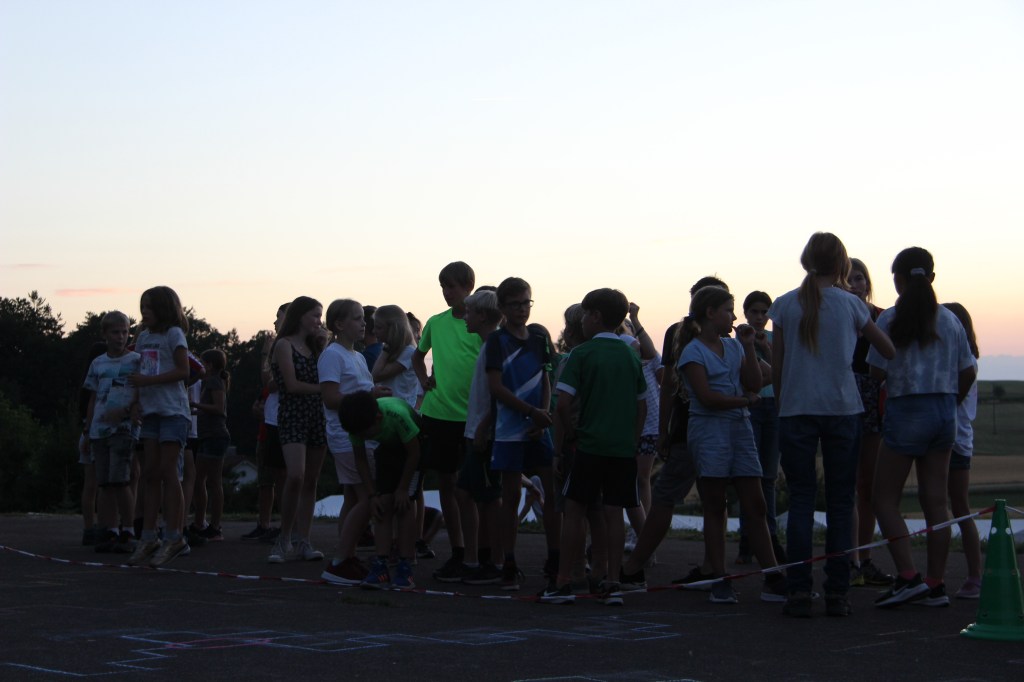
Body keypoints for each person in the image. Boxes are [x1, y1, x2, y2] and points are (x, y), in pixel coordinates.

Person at [769, 233, 894, 617]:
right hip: (842, 408)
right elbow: (887, 349)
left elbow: (778, 366)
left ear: (806, 261)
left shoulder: (785, 304)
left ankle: (798, 591)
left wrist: (783, 403)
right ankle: (837, 593)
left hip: (796, 410)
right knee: (841, 502)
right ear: (842, 264)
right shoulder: (852, 304)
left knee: (801, 500)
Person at [869, 248, 976, 608]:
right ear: (931, 278)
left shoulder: (890, 319)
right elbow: (968, 371)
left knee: (884, 499)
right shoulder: (950, 320)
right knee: (936, 503)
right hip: (944, 413)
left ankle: (907, 576)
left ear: (897, 280)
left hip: (906, 411)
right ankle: (935, 583)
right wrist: (951, 401)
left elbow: (876, 370)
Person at [678, 286, 785, 604]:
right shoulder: (693, 352)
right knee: (715, 506)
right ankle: (719, 578)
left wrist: (749, 347)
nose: (734, 317)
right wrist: (744, 401)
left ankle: (773, 576)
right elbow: (707, 398)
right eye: (728, 310)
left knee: (756, 503)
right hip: (710, 432)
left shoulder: (735, 346)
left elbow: (755, 381)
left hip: (739, 429)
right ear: (710, 313)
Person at [619, 276, 728, 590]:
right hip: (715, 427)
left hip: (689, 427)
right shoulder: (725, 341)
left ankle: (636, 565)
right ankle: (714, 569)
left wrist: (665, 429)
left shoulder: (683, 333)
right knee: (713, 500)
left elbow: (668, 383)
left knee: (666, 496)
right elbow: (666, 380)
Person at [543, 288, 646, 606]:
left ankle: (563, 582)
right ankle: (612, 582)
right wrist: (632, 439)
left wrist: (569, 438)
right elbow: (641, 404)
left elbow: (563, 404)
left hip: (588, 445)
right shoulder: (630, 355)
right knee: (614, 512)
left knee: (574, 511)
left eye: (586, 315)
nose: (582, 321)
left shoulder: (581, 354)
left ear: (596, 316)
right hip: (622, 448)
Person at [486, 278, 558, 591]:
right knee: (511, 495)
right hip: (509, 429)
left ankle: (555, 558)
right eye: (514, 304)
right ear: (502, 307)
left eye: (526, 303)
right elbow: (496, 387)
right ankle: (508, 561)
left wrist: (543, 416)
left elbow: (545, 379)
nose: (521, 309)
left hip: (538, 427)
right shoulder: (497, 341)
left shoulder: (539, 338)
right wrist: (531, 412)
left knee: (551, 493)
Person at [412, 262, 481, 581]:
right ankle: (458, 550)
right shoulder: (436, 322)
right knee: (447, 483)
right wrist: (423, 379)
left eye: (451, 286)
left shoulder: (479, 323)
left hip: (473, 416)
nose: (446, 292)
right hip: (439, 414)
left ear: (469, 286)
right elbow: (417, 355)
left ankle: (479, 552)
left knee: (475, 488)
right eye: (442, 286)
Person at [318, 299, 391, 584]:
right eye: (358, 318)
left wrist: (374, 391)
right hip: (346, 435)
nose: (364, 323)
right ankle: (339, 562)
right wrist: (368, 397)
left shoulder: (357, 356)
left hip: (361, 435)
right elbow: (330, 398)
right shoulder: (332, 355)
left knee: (352, 497)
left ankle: (347, 556)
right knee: (366, 497)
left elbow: (358, 389)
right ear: (339, 324)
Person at [127, 286, 194, 567]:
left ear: (163, 309)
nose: (144, 312)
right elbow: (141, 372)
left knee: (169, 472)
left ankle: (174, 536)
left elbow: (183, 371)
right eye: (142, 306)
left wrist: (148, 382)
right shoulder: (143, 337)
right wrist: (135, 402)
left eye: (150, 307)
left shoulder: (174, 334)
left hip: (173, 411)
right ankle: (149, 535)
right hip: (151, 411)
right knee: (150, 474)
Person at [339, 391, 424, 590]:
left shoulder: (396, 415)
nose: (363, 438)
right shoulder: (357, 424)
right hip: (388, 447)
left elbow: (414, 454)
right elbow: (360, 460)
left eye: (366, 435)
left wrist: (403, 488)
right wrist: (372, 495)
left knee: (404, 505)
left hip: (415, 449)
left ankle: (405, 565)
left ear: (377, 418)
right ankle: (381, 565)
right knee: (382, 505)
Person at [267, 296, 328, 563]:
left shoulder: (316, 347)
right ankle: (284, 538)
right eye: (315, 315)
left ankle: (304, 540)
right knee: (296, 476)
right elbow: (291, 385)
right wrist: (325, 390)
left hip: (316, 415)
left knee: (311, 480)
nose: (319, 321)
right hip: (293, 414)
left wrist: (324, 346)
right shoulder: (284, 344)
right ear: (300, 316)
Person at [847, 258, 894, 587]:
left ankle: (863, 558)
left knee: (868, 485)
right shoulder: (832, 316)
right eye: (848, 279)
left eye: (860, 278)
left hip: (872, 399)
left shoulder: (882, 317)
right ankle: (847, 558)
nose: (855, 284)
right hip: (840, 398)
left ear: (868, 283)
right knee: (844, 484)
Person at [455, 289, 505, 586]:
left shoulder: (494, 346)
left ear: (483, 316)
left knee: (489, 499)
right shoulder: (488, 345)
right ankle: (476, 558)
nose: (465, 317)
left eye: (469, 312)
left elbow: (498, 392)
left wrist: (484, 428)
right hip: (476, 430)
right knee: (465, 492)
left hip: (483, 434)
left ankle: (494, 561)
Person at [734, 291, 786, 565]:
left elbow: (783, 369)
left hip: (773, 406)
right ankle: (748, 537)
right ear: (745, 313)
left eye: (764, 312)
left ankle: (770, 536)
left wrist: (765, 347)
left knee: (768, 476)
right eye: (754, 311)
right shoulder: (739, 341)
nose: (759, 317)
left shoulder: (774, 339)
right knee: (750, 475)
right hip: (750, 407)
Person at [84, 312, 141, 554]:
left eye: (125, 332)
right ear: (105, 334)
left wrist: (129, 410)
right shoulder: (98, 363)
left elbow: (142, 392)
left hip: (124, 428)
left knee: (121, 480)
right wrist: (88, 429)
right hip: (100, 428)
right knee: (105, 483)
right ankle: (109, 529)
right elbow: (93, 397)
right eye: (115, 332)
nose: (120, 337)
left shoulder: (136, 360)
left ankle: (128, 529)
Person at [942, 302, 983, 599]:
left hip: (954, 440)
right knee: (950, 507)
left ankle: (974, 575)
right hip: (954, 438)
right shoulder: (963, 358)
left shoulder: (962, 361)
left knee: (958, 508)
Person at [242, 303, 289, 541]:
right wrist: (259, 403)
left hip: (281, 423)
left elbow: (269, 381)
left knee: (282, 478)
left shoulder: (284, 348)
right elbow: (267, 390)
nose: (274, 323)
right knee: (266, 480)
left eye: (278, 317)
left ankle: (286, 526)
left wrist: (264, 353)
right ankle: (265, 524)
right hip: (268, 422)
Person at [191, 348, 231, 542]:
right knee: (202, 480)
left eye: (202, 362)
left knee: (211, 481)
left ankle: (214, 526)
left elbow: (218, 408)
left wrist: (195, 405)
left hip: (215, 436)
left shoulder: (214, 381)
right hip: (208, 436)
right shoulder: (211, 381)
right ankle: (202, 522)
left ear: (210, 365)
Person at [78, 341, 108, 546]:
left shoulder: (86, 384)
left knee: (90, 485)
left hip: (85, 431)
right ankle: (105, 526)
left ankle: (88, 528)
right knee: (105, 485)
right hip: (99, 433)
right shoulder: (102, 380)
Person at [371, 305, 420, 408]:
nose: (374, 331)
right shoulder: (393, 350)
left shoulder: (409, 352)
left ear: (393, 329)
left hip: (399, 411)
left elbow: (376, 375)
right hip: (389, 408)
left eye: (379, 327)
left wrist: (387, 348)